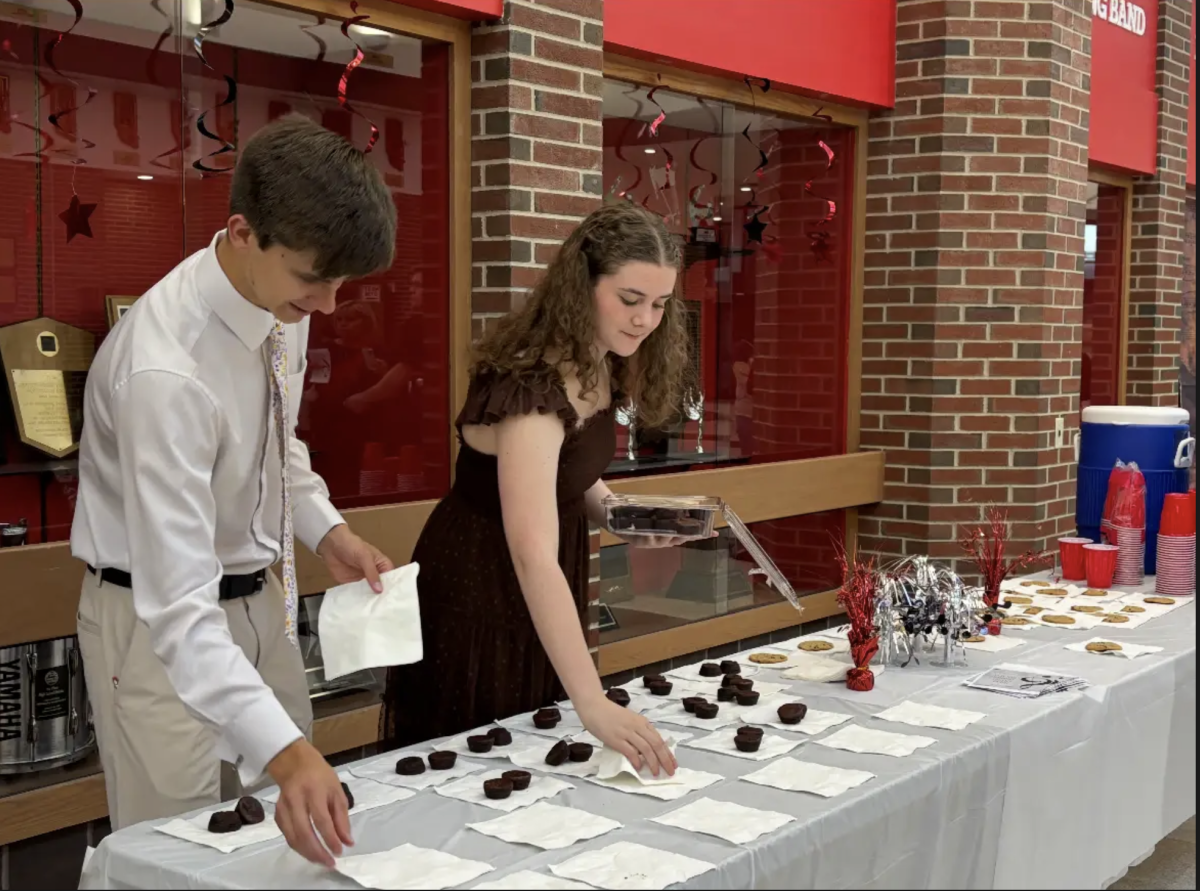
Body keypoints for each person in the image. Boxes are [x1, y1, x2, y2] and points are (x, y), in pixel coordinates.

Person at [70, 115, 397, 867]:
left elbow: (273, 445)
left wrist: (328, 532)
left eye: (341, 282)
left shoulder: (280, 301)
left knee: (286, 850)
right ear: (243, 232)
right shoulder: (164, 369)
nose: (328, 305)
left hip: (256, 605)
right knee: (176, 855)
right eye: (314, 280)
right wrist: (284, 754)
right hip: (155, 626)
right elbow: (177, 604)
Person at [382, 202, 692, 776]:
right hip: (484, 584)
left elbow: (567, 472)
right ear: (582, 286)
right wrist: (592, 701)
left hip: (543, 575)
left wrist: (619, 514)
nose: (645, 320)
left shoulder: (602, 361)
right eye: (630, 300)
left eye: (659, 305)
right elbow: (530, 551)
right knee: (483, 763)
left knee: (533, 755)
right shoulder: (534, 386)